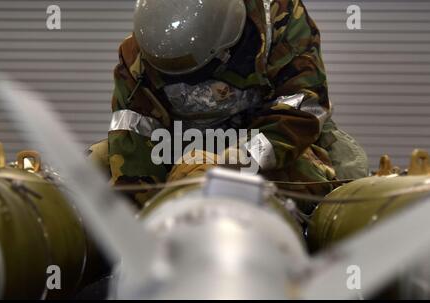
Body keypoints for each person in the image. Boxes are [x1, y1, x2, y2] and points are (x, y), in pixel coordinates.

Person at [89, 0, 369, 207]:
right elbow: (133, 137)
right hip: (176, 144)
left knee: (321, 185)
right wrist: (145, 216)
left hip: (274, 139)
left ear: (226, 48)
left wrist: (238, 162)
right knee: (98, 168)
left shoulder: (283, 20)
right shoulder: (143, 50)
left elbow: (302, 109)